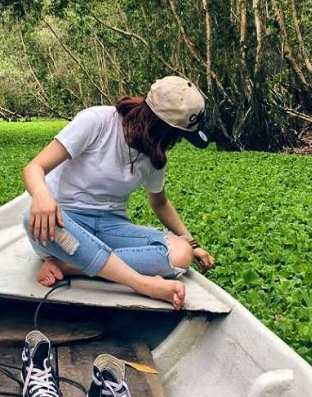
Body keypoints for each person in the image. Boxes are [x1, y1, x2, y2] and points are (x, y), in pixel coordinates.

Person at [22, 76, 215, 310]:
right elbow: (34, 168)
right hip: (65, 222)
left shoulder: (154, 155)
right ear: (165, 129)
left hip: (110, 226)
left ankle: (68, 266)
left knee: (181, 255)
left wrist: (192, 244)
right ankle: (141, 283)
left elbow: (160, 203)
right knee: (29, 218)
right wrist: (42, 195)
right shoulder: (97, 121)